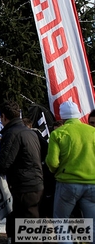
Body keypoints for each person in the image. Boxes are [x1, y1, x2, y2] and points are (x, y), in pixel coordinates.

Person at [0, 100, 43, 244]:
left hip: (25, 186)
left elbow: (4, 162)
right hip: (32, 184)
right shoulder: (29, 132)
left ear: (3, 116)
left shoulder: (12, 133)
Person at [46, 101, 95, 237]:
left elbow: (52, 161)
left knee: (61, 221)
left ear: (62, 117)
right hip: (92, 183)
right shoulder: (92, 131)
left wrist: (55, 170)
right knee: (92, 224)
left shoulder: (58, 133)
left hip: (67, 183)